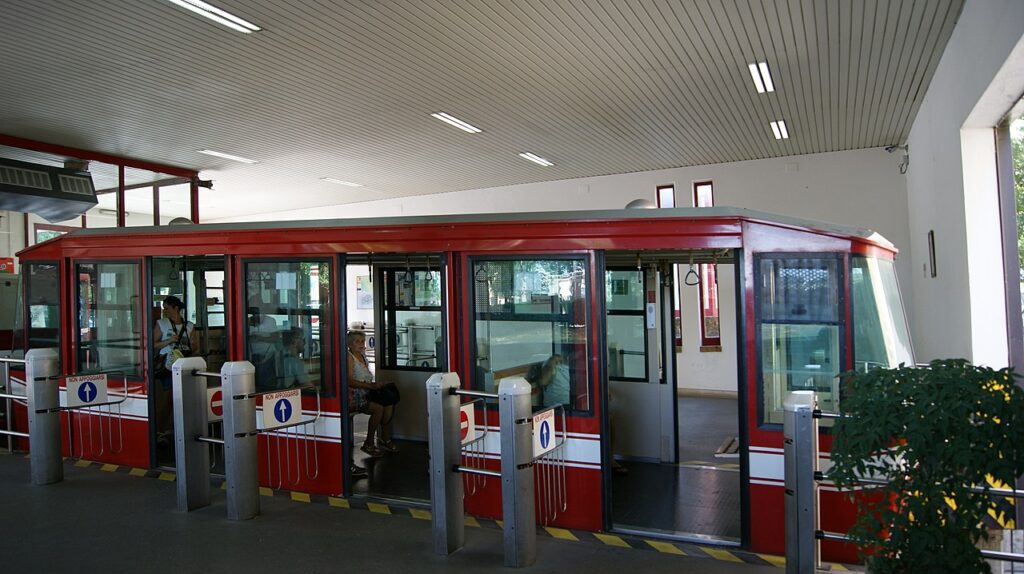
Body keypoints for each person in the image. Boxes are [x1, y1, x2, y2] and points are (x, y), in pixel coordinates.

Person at [153, 295, 199, 444]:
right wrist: (169, 341)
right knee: (168, 398)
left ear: (176, 308)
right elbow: (153, 345)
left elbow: (195, 346)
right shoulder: (161, 324)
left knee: (182, 398)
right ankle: (160, 429)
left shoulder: (190, 326)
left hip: (184, 365)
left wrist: (189, 345)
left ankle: (175, 428)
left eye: (167, 308)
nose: (165, 311)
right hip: (168, 365)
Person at [346, 328, 399, 457]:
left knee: (389, 401)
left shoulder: (362, 356)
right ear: (350, 344)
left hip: (367, 390)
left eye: (362, 341)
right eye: (357, 341)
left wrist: (374, 385)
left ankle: (384, 437)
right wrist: (370, 386)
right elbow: (349, 381)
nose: (361, 344)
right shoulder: (349, 357)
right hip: (355, 394)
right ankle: (370, 442)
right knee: (378, 409)